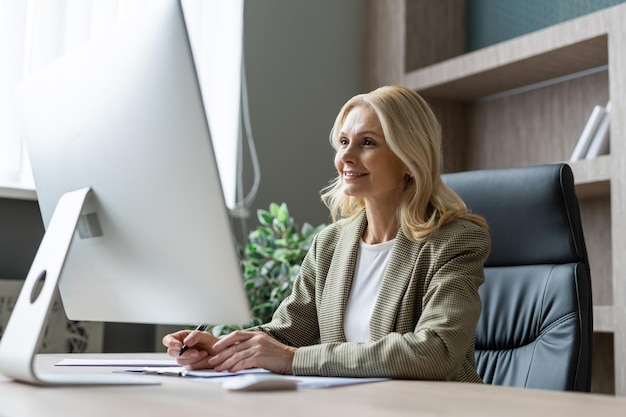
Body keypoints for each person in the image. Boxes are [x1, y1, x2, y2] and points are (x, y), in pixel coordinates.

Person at [162, 85, 491, 382]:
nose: (345, 156)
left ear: (409, 158)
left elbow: (436, 351)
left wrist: (293, 360)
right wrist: (221, 349)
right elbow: (287, 335)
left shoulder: (454, 241)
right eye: (344, 142)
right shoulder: (331, 243)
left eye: (367, 143)